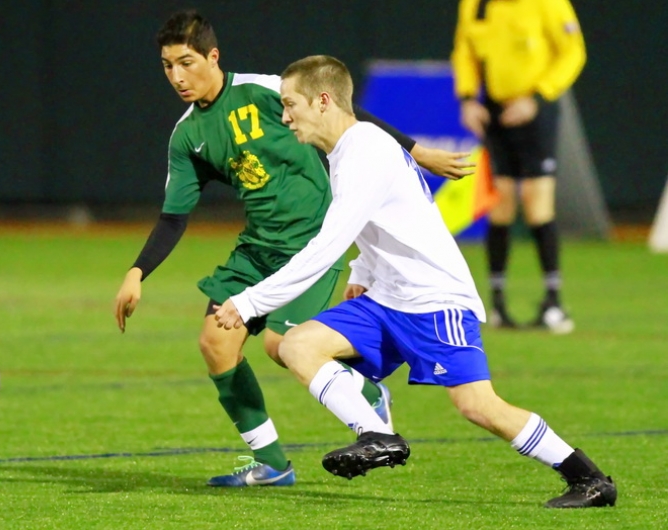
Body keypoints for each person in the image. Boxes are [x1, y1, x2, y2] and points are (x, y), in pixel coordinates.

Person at [214, 54, 616, 508]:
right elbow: (380, 220)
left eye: (291, 105)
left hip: (433, 299)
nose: (285, 117)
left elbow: (328, 245)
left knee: (479, 407)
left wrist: (249, 302)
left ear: (323, 100)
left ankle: (589, 479)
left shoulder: (365, 148)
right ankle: (376, 433)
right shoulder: (344, 150)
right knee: (296, 345)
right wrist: (364, 273)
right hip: (388, 299)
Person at [113, 9, 473, 488]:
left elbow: (345, 114)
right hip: (257, 248)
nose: (177, 76)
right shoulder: (188, 136)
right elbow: (174, 216)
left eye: (187, 62)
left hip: (312, 242)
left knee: (283, 347)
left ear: (213, 56)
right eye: (167, 66)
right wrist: (138, 272)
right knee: (215, 344)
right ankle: (273, 464)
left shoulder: (263, 90)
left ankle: (366, 392)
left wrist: (414, 148)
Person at [451, 0, 587, 333]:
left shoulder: (548, 3)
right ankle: (496, 304)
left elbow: (572, 52)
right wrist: (468, 98)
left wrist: (538, 96)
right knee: (501, 201)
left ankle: (553, 301)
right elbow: (465, 50)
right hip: (494, 109)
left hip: (535, 107)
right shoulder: (475, 4)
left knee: (536, 200)